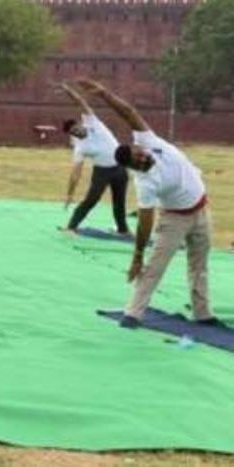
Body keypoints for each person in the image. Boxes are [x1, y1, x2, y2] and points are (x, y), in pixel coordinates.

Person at [74, 78, 222, 329]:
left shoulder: (148, 141)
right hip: (175, 219)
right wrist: (137, 254)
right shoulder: (146, 183)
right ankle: (133, 313)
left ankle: (203, 313)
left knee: (199, 264)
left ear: (137, 147)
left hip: (201, 210)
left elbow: (129, 113)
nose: (143, 158)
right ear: (132, 168)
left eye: (139, 154)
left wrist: (104, 93)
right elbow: (145, 220)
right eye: (137, 162)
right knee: (154, 267)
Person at [58, 81, 129, 235]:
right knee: (91, 200)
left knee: (119, 201)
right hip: (101, 172)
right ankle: (71, 226)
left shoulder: (91, 121)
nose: (77, 132)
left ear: (79, 124)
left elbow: (80, 102)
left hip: (119, 167)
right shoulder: (80, 147)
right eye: (73, 132)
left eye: (76, 128)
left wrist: (68, 90)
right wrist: (70, 194)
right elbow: (76, 172)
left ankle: (123, 230)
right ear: (72, 135)